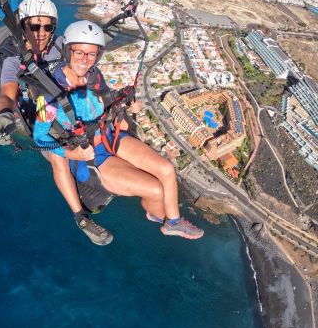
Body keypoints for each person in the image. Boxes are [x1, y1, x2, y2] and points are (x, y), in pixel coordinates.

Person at [33, 20, 204, 241]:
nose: (85, 60)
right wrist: (70, 154)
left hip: (110, 135)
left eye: (92, 55)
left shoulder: (93, 76)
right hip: (93, 153)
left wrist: (125, 105)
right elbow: (40, 137)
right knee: (156, 190)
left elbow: (105, 100)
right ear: (68, 51)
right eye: (79, 53)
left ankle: (173, 222)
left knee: (167, 170)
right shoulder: (50, 94)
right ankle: (158, 214)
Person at [0, 0, 113, 245]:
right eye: (34, 26)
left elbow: (85, 51)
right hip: (48, 119)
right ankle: (81, 217)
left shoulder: (61, 46)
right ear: (22, 27)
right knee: (58, 156)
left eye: (47, 27)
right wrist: (3, 115)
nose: (41, 33)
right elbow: (7, 94)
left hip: (75, 108)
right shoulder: (14, 62)